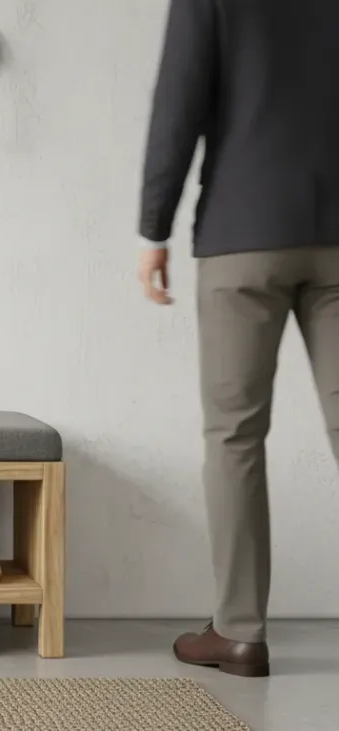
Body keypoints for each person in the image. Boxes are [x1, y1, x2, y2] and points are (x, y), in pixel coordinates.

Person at [138, 0, 339, 677]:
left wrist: (153, 228)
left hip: (243, 231)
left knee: (234, 435)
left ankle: (240, 631)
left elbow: (179, 103)